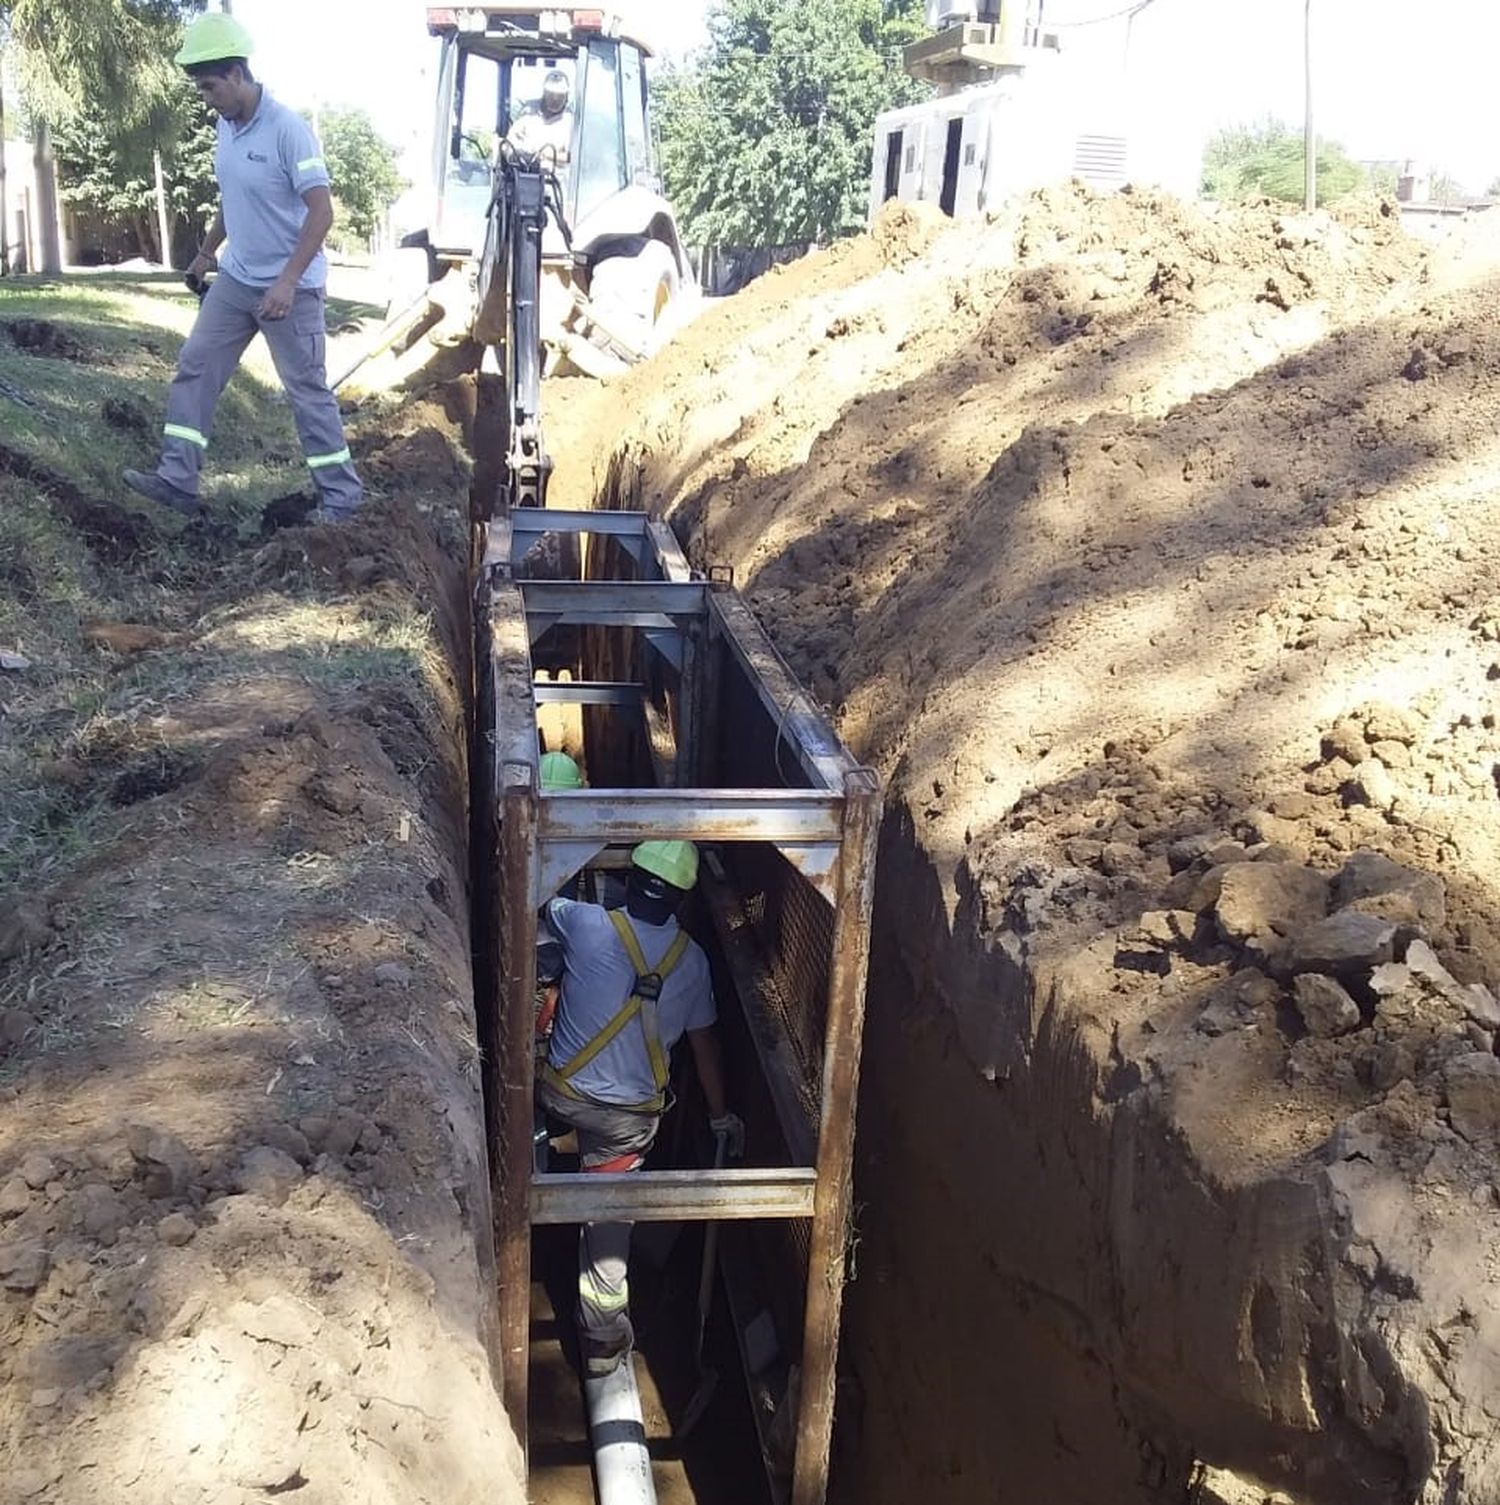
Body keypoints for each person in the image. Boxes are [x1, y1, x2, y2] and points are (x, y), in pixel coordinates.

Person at [123, 13, 362, 524]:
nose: (206, 98)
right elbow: (232, 200)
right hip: (237, 279)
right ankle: (176, 480)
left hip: (290, 289)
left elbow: (322, 212)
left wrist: (288, 280)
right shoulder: (225, 129)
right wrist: (207, 253)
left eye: (211, 87)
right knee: (195, 365)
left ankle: (342, 500)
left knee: (307, 394)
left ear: (236, 75)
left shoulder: (288, 130)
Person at [536, 840, 743, 1377]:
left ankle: (538, 1161)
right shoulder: (693, 961)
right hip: (625, 1123)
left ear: (629, 878)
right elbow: (705, 1048)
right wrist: (720, 1116)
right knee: (608, 1218)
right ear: (681, 898)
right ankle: (603, 1340)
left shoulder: (584, 924)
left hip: (560, 1094)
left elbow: (538, 893)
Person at [506, 69, 575, 159]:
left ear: (566, 96)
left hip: (555, 171)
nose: (555, 99)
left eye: (560, 95)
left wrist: (545, 155)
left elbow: (573, 158)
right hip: (522, 167)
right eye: (551, 94)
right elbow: (510, 142)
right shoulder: (529, 110)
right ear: (544, 92)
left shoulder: (569, 122)